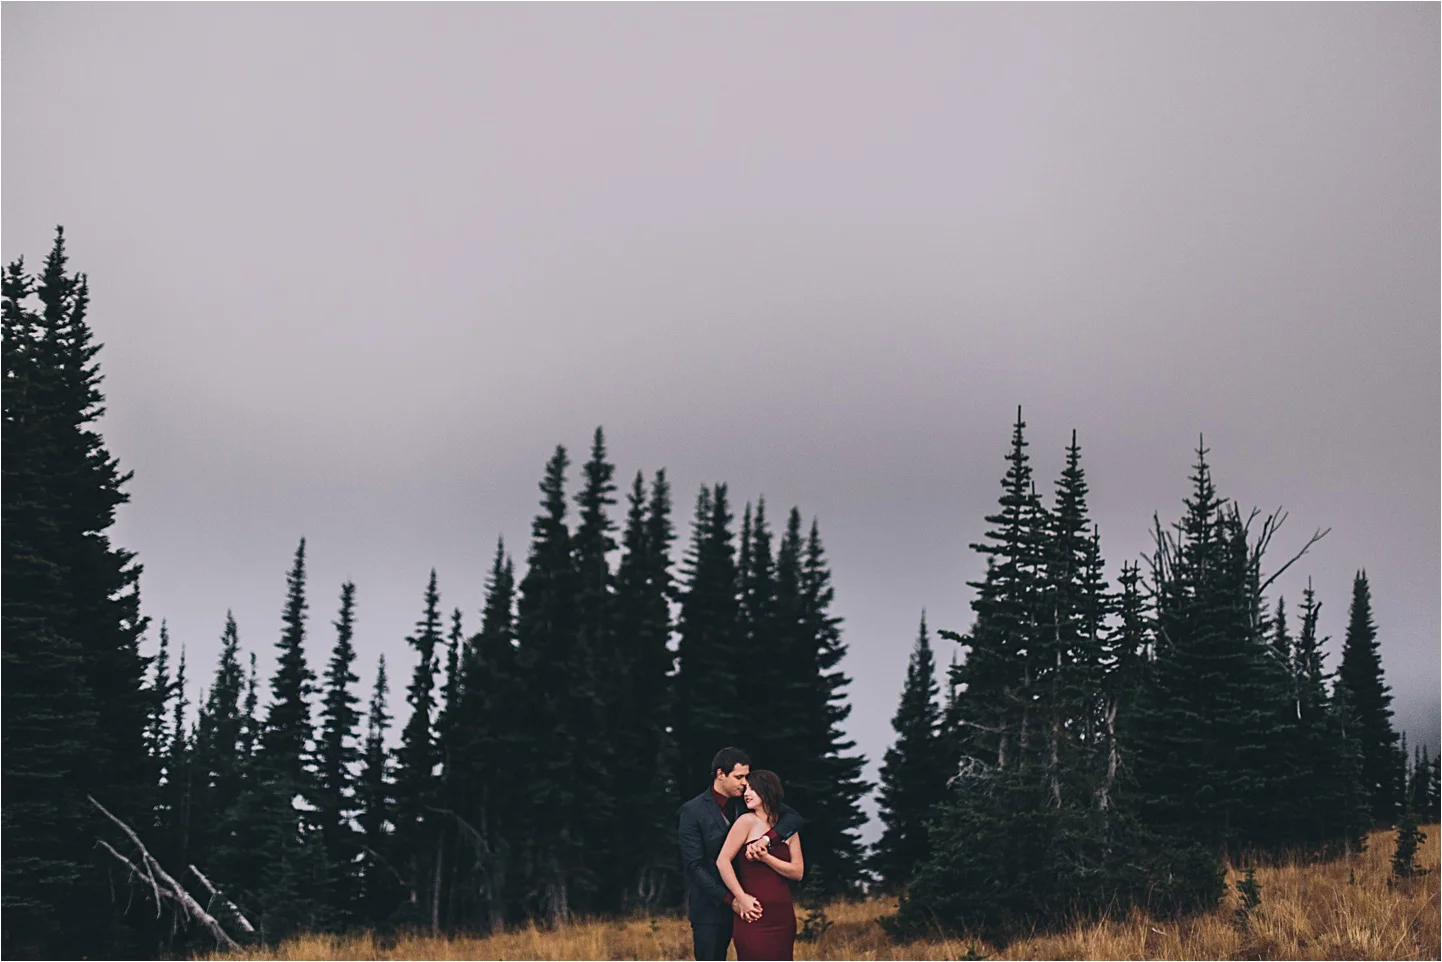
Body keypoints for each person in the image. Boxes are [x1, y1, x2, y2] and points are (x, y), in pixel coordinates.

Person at [677, 747, 804, 961]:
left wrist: (767, 840)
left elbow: (794, 819)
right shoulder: (692, 811)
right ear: (720, 774)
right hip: (712, 909)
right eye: (739, 777)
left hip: (755, 905)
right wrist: (733, 899)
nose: (745, 783)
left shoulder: (748, 802)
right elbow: (694, 866)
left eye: (747, 777)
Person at [716, 770, 803, 961]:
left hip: (782, 916)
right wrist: (740, 898)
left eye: (752, 789)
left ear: (767, 791)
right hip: (752, 913)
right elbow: (722, 861)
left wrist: (766, 858)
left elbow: (798, 872)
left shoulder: (787, 829)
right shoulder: (746, 821)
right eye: (745, 789)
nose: (746, 794)